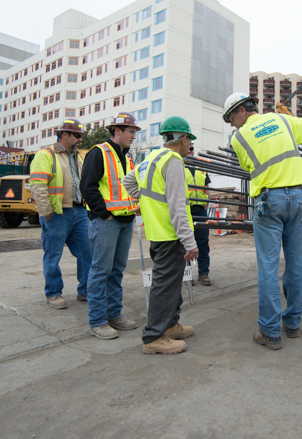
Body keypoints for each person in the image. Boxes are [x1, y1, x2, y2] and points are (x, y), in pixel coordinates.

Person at [223, 92, 302, 350]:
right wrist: (284, 123)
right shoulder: (281, 120)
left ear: (242, 111)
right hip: (297, 197)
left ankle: (271, 331)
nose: (231, 123)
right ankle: (293, 325)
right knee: (296, 264)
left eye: (231, 117)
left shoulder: (239, 137)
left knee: (268, 267)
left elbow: (247, 165)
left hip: (269, 201)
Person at [122, 116, 198, 355]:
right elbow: (177, 207)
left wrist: (147, 203)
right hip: (170, 234)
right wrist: (190, 242)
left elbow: (128, 182)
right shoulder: (174, 161)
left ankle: (171, 325)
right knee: (164, 287)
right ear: (182, 138)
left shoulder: (151, 157)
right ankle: (154, 336)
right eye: (189, 141)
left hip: (158, 232)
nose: (189, 146)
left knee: (171, 284)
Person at [79, 112, 141, 340]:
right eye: (131, 132)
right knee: (100, 270)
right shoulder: (99, 153)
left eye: (135, 133)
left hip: (125, 220)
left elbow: (130, 188)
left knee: (116, 271)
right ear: (118, 130)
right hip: (107, 222)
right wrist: (103, 213)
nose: (134, 136)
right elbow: (87, 186)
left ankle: (114, 314)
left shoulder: (127, 158)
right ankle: (98, 321)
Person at [29, 118, 91, 310]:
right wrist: (46, 212)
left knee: (86, 252)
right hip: (57, 213)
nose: (80, 139)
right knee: (53, 255)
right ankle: (53, 293)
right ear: (64, 135)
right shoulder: (45, 155)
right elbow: (38, 185)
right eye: (77, 135)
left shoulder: (78, 157)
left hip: (79, 211)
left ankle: (86, 290)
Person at [185, 143, 212, 286]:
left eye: (192, 148)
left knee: (203, 243)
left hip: (200, 210)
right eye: (188, 147)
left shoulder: (201, 167)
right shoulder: (178, 166)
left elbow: (207, 187)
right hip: (185, 211)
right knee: (185, 244)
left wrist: (206, 206)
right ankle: (186, 275)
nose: (190, 150)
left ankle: (203, 273)